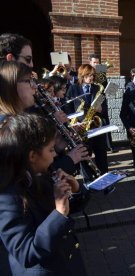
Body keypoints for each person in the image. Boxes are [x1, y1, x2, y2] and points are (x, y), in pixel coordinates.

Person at [0, 114, 87, 275]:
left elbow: (69, 210)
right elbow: (25, 253)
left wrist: (75, 190)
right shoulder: (7, 196)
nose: (55, 155)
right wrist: (59, 214)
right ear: (32, 156)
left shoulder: (41, 173)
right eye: (51, 149)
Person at [66, 64, 109, 176]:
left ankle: (104, 178)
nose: (91, 78)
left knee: (101, 155)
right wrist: (74, 123)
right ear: (82, 75)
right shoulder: (73, 88)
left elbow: (105, 110)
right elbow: (68, 110)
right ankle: (89, 180)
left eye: (93, 75)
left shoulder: (98, 88)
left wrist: (101, 109)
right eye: (88, 75)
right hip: (81, 127)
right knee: (85, 156)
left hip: (97, 127)